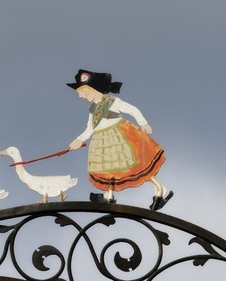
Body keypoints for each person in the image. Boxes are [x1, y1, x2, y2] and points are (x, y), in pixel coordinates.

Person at [67, 70, 172, 210]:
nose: (81, 96)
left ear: (91, 89)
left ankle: (161, 190)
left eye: (83, 92)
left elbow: (132, 109)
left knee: (135, 165)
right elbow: (90, 128)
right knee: (107, 167)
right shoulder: (92, 108)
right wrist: (79, 140)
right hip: (102, 139)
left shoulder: (112, 101)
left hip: (118, 136)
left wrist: (143, 123)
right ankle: (108, 195)